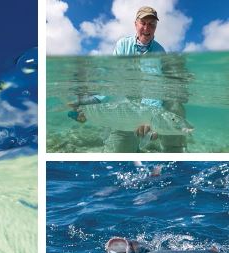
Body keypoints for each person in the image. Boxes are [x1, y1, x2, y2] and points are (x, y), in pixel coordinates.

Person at [67, 6, 189, 152]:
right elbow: (115, 79)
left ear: (156, 27)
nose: (146, 28)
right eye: (143, 23)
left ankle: (173, 151)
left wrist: (149, 118)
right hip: (127, 99)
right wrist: (95, 101)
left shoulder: (159, 51)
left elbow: (153, 84)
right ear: (135, 24)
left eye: (151, 24)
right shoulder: (122, 44)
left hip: (154, 100)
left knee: (175, 106)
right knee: (121, 150)